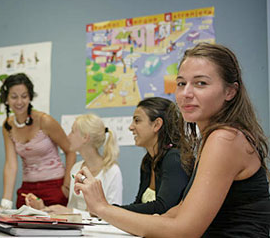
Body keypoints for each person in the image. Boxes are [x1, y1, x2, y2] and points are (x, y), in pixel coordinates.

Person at [74, 43, 270, 237]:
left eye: (201, 83)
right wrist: (106, 211)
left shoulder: (225, 139)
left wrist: (103, 208)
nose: (186, 93)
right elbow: (174, 214)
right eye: (181, 83)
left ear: (230, 91)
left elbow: (184, 231)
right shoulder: (216, 138)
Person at [0, 73, 76, 209]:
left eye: (24, 96)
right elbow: (11, 164)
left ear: (30, 97)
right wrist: (5, 203)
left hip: (54, 186)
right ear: (7, 99)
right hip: (28, 189)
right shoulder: (8, 126)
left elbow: (70, 150)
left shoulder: (44, 121)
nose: (19, 102)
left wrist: (66, 187)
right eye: (14, 97)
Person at [25, 114, 122, 217]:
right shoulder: (75, 169)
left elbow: (112, 216)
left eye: (73, 131)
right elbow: (71, 209)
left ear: (85, 137)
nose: (68, 136)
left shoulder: (112, 171)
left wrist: (71, 212)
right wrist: (43, 209)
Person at [116, 97, 192, 215]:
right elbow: (139, 204)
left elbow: (163, 207)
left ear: (157, 124)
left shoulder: (174, 159)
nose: (131, 127)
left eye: (137, 121)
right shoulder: (147, 161)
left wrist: (110, 210)